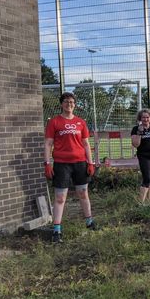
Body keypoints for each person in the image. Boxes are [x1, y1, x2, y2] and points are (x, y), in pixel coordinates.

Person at [44, 92, 97, 243]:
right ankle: (56, 230)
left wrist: (90, 162)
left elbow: (86, 144)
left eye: (72, 102)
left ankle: (89, 222)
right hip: (62, 164)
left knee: (83, 193)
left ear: (75, 104)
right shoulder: (54, 122)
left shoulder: (80, 122)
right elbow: (48, 144)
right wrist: (47, 163)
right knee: (60, 197)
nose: (69, 104)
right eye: (66, 101)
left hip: (80, 163)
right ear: (61, 104)